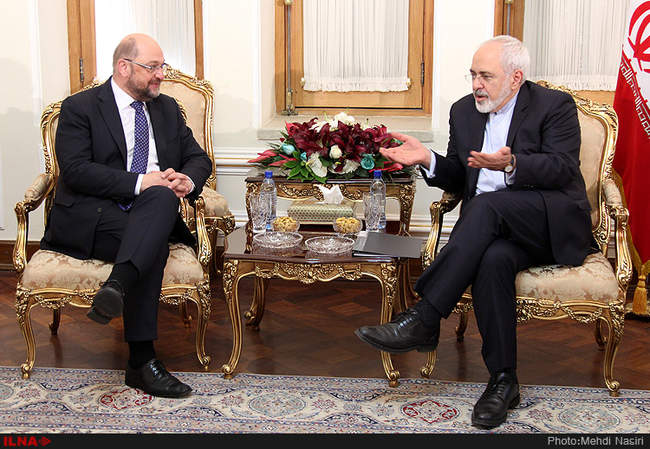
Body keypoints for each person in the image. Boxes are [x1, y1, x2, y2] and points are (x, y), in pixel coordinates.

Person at [355, 35, 597, 429]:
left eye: (486, 76)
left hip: (546, 224)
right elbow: (459, 174)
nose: (476, 85)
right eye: (473, 75)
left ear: (516, 77)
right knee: (492, 260)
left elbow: (563, 168)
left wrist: (512, 164)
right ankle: (504, 381)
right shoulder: (464, 111)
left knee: (486, 206)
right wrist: (428, 159)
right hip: (492, 234)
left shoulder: (553, 106)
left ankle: (425, 316)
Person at [40, 33, 212, 398]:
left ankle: (117, 286)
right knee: (152, 243)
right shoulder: (80, 107)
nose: (161, 75)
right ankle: (142, 362)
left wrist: (187, 179)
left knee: (161, 198)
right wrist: (140, 181)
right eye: (152, 67)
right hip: (93, 216)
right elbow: (76, 171)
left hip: (152, 211)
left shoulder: (166, 109)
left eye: (162, 66)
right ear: (124, 67)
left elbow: (199, 159)